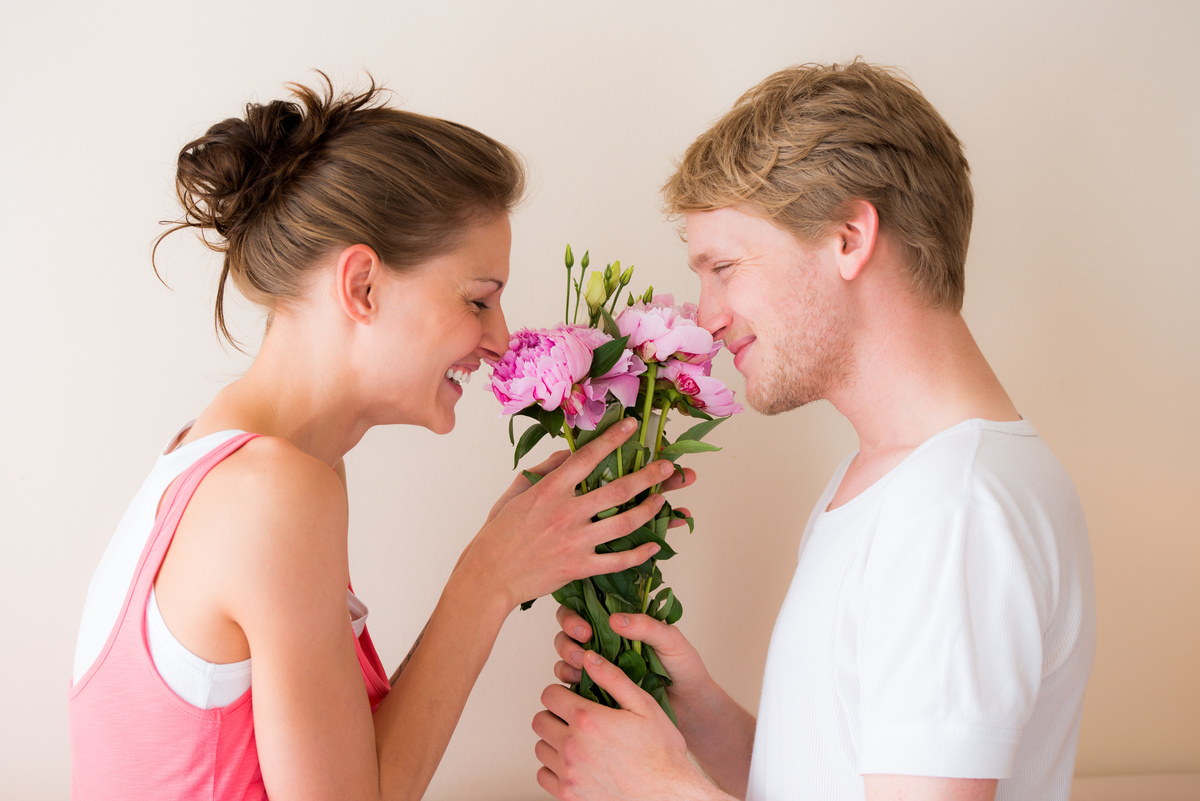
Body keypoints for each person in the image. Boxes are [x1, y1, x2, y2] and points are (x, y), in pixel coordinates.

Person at [68, 74, 683, 801]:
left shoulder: (231, 467)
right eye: (478, 297)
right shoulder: (270, 493)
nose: (501, 338)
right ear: (362, 285)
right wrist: (490, 576)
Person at [534, 60, 1096, 801]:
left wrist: (661, 789)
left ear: (849, 237)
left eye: (726, 265)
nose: (705, 315)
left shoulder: (954, 512)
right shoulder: (890, 482)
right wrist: (702, 717)